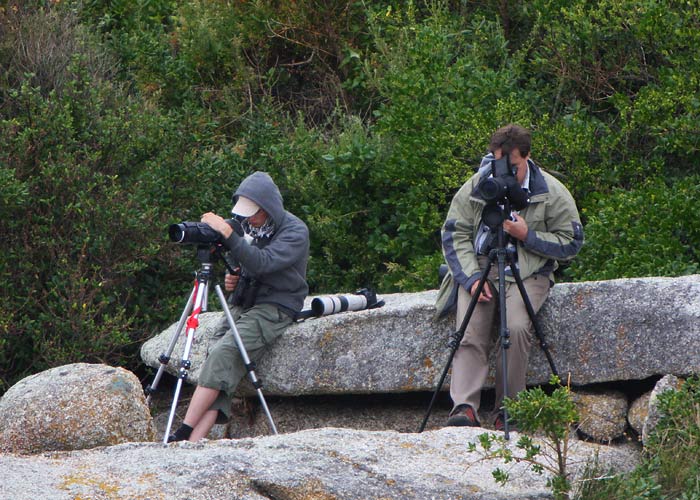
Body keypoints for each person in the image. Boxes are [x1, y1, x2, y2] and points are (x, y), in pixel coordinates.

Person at [434, 124, 583, 430]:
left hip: (528, 269)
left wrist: (527, 235)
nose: (502, 173)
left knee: (515, 327)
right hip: (482, 265)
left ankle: (509, 408)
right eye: (497, 162)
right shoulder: (478, 185)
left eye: (511, 167)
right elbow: (454, 234)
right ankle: (464, 407)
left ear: (527, 157)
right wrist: (472, 277)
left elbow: (571, 243)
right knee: (471, 327)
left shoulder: (550, 192)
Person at [168, 171, 309, 442]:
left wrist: (228, 233)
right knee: (217, 359)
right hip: (244, 302)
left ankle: (183, 431)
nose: (247, 219)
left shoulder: (294, 231)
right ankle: (194, 441)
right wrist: (234, 274)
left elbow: (263, 262)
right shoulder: (248, 226)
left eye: (253, 213)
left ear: (268, 208)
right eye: (243, 214)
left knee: (225, 352)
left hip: (275, 307)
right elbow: (245, 262)